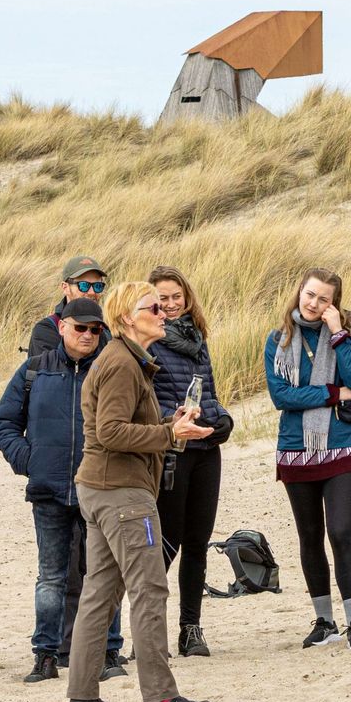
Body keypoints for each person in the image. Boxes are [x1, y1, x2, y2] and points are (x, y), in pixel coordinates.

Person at [66, 281, 213, 702]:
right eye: (153, 307)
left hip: (105, 490)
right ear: (129, 317)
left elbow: (118, 426)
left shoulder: (127, 361)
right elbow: (110, 432)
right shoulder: (121, 364)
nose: (163, 312)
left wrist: (173, 422)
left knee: (101, 592)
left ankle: (82, 695)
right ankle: (161, 696)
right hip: (122, 495)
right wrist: (170, 433)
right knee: (149, 590)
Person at [0, 297, 127, 684]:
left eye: (94, 328)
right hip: (49, 491)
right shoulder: (35, 370)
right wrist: (28, 461)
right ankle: (45, 655)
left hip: (99, 488)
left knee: (103, 573)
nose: (87, 334)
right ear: (63, 326)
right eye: (79, 327)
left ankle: (108, 652)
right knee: (51, 577)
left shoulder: (111, 369)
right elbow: (4, 422)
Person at [266, 268, 351, 649]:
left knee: (341, 532)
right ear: (299, 292)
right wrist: (332, 393)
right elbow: (282, 397)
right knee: (309, 536)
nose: (313, 303)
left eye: (323, 299)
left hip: (343, 445)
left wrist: (339, 332)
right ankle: (324, 620)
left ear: (334, 304)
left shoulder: (349, 334)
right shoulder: (278, 340)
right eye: (309, 295)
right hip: (296, 449)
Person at [148, 266, 235, 657]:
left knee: (198, 542)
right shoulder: (148, 339)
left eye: (175, 296)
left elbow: (209, 391)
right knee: (166, 542)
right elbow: (148, 399)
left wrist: (221, 418)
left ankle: (190, 628)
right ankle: (146, 629)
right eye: (162, 298)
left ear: (187, 297)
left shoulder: (197, 338)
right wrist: (177, 419)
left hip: (205, 451)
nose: (169, 304)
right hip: (171, 450)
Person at [28, 255, 108, 359]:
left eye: (97, 286)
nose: (92, 292)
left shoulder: (106, 329)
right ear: (65, 287)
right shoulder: (46, 330)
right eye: (83, 285)